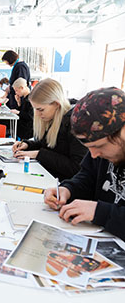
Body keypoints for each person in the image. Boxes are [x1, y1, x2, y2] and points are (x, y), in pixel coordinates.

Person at [44, 87, 125, 241]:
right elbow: (88, 177)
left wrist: (99, 212)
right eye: (89, 148)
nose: (94, 155)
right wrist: (67, 190)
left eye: (99, 146)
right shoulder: (101, 148)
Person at [12, 78, 87, 180]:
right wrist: (27, 145)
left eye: (40, 110)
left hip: (62, 185)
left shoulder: (75, 125)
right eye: (35, 109)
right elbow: (48, 145)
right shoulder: (52, 118)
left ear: (56, 104)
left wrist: (39, 154)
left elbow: (76, 168)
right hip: (49, 176)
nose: (37, 114)